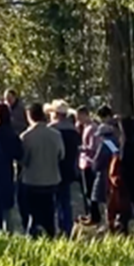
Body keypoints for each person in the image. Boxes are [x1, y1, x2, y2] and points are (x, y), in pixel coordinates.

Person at [19, 103, 64, 237]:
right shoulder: (56, 134)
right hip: (52, 180)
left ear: (30, 116)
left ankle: (34, 236)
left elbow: (23, 160)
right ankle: (51, 235)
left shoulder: (26, 136)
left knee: (33, 214)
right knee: (49, 212)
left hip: (32, 180)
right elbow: (61, 155)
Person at [0, 102, 24, 233]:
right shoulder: (11, 134)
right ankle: (9, 232)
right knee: (7, 207)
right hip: (7, 171)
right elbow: (19, 154)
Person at [50, 101, 80, 236]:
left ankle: (57, 226)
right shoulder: (74, 130)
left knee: (54, 200)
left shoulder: (53, 129)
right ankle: (67, 227)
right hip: (69, 167)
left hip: (55, 167)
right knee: (66, 199)